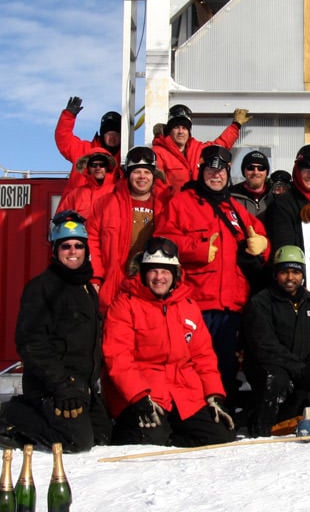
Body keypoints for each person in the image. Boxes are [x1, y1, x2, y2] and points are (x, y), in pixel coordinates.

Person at [157, 144, 271, 399]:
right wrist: (196, 249)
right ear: (201, 171)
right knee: (193, 363)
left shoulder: (234, 208)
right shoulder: (182, 203)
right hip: (195, 302)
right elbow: (163, 241)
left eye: (221, 171)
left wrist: (262, 245)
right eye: (210, 170)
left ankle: (224, 408)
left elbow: (260, 234)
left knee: (226, 364)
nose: (216, 175)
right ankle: (194, 409)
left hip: (231, 304)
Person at [0, 211, 111, 452]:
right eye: (66, 246)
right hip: (52, 385)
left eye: (78, 246)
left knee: (103, 436)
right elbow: (31, 343)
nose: (72, 251)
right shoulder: (41, 288)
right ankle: (12, 414)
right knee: (77, 442)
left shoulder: (86, 288)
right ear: (56, 250)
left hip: (81, 385)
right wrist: (61, 386)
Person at [102, 237, 235, 447]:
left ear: (175, 275)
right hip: (145, 394)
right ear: (143, 273)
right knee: (150, 442)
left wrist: (213, 395)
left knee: (221, 436)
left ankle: (171, 431)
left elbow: (203, 356)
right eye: (153, 271)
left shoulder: (188, 306)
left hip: (184, 392)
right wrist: (138, 397)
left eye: (165, 271)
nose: (159, 277)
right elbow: (117, 357)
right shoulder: (125, 305)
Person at [241, 246, 310, 436]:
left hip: (304, 371)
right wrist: (298, 368)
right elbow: (264, 344)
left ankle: (285, 426)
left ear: (302, 274)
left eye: (295, 272)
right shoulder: (261, 302)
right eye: (284, 272)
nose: (290, 277)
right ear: (276, 274)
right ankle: (261, 429)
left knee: (299, 406)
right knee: (276, 380)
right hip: (270, 369)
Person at [87, 146, 168, 315]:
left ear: (154, 175)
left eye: (146, 172)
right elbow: (91, 240)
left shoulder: (166, 205)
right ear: (128, 174)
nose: (142, 177)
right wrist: (96, 277)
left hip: (151, 283)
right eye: (136, 171)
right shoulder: (107, 203)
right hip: (115, 283)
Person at [152, 103, 253, 193]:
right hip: (174, 209)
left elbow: (220, 145)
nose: (181, 132)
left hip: (197, 207)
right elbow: (157, 189)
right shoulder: (158, 152)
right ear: (169, 130)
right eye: (176, 127)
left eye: (184, 128)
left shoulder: (198, 149)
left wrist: (235, 125)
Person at [265, 144, 310, 251]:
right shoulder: (281, 204)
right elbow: (283, 246)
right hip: (296, 265)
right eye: (307, 169)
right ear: (297, 170)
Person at [54, 96, 121, 199]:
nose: (112, 138)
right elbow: (64, 138)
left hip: (106, 211)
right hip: (76, 209)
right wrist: (68, 116)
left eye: (116, 134)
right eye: (109, 134)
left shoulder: (125, 158)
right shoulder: (83, 150)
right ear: (102, 135)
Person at [56, 150, 118, 218]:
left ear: (108, 167)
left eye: (102, 165)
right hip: (81, 228)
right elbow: (60, 219)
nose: (98, 168)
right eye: (93, 165)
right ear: (87, 168)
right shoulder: (75, 194)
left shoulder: (117, 191)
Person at [229, 150, 275, 222]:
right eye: (250, 167)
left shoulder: (275, 195)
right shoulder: (231, 196)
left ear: (266, 172)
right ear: (244, 171)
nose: (255, 172)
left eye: (261, 168)